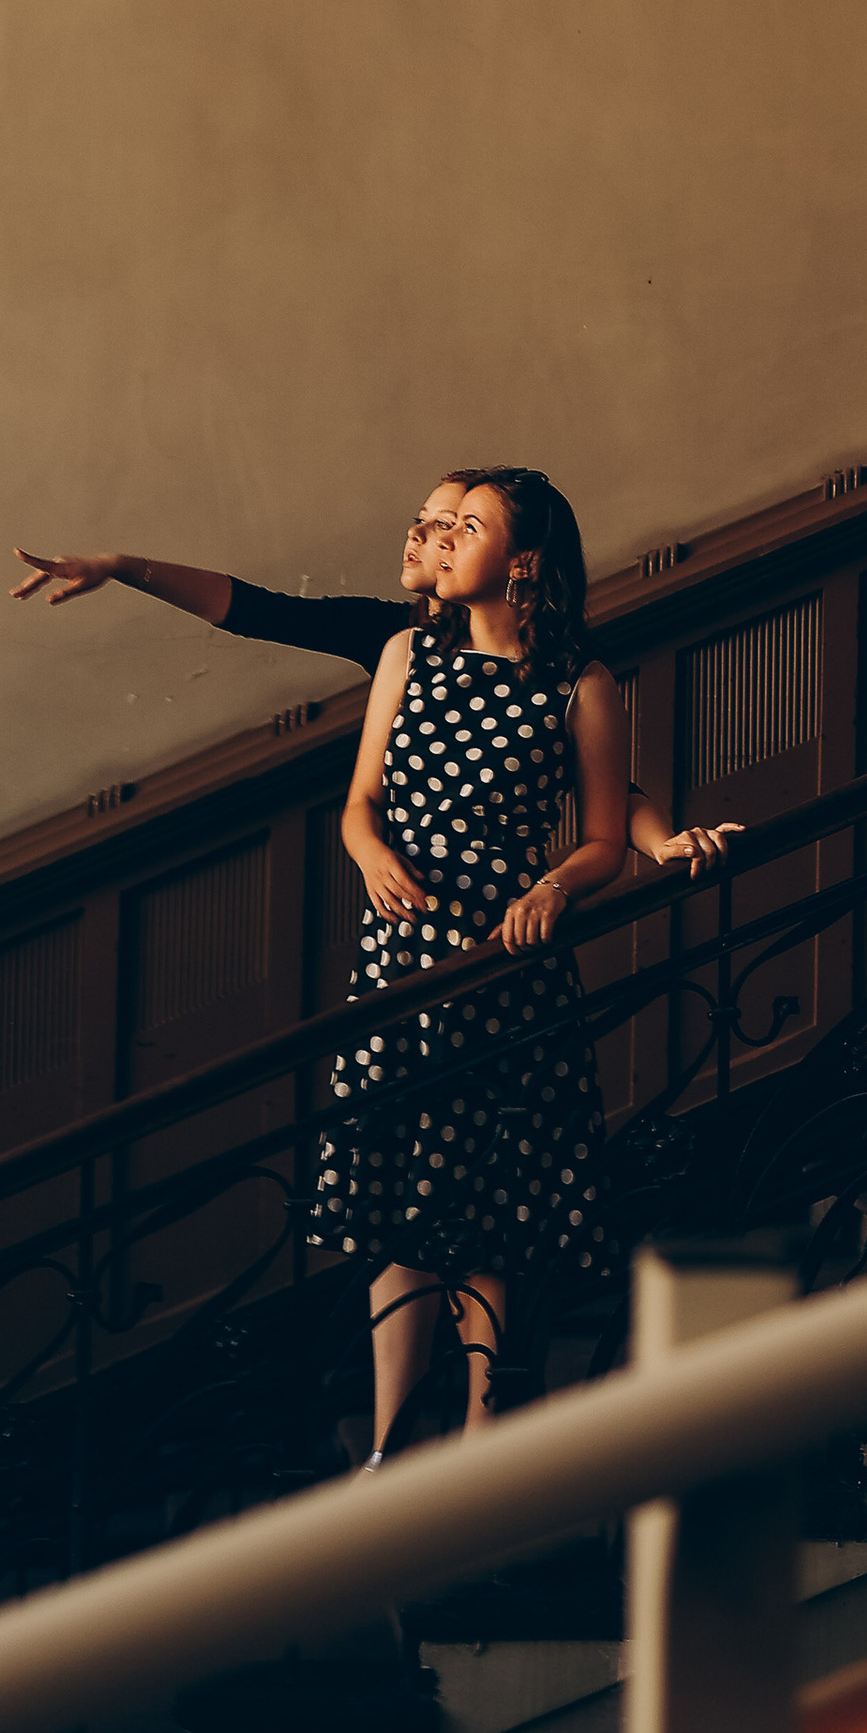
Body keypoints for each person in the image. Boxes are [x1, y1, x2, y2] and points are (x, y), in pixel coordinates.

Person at [318, 470, 626, 1467]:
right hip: (399, 962)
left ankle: (484, 1455)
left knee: (490, 1222)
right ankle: (388, 1454)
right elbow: (359, 801)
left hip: (503, 966)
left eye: (470, 526)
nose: (445, 537)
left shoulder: (581, 681)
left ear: (523, 562)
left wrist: (551, 890)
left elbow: (606, 839)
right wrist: (368, 854)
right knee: (396, 1215)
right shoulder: (407, 653)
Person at [10, 484, 736, 883]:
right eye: (424, 521)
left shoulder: (564, 671)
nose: (428, 536)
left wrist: (664, 842)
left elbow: (602, 786)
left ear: (520, 558)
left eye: (454, 524)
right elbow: (254, 609)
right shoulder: (395, 641)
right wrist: (125, 566)